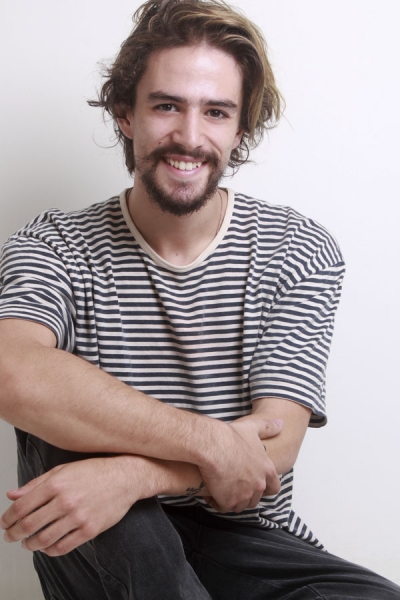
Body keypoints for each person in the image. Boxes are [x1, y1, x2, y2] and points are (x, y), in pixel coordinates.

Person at [0, 0, 398, 598]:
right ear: (125, 113)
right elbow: (12, 372)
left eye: (216, 112)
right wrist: (212, 443)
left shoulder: (298, 249)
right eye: (166, 106)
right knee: (65, 430)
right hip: (106, 534)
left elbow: (275, 445)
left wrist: (134, 474)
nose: (189, 136)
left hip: (244, 537)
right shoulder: (54, 244)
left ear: (241, 129)